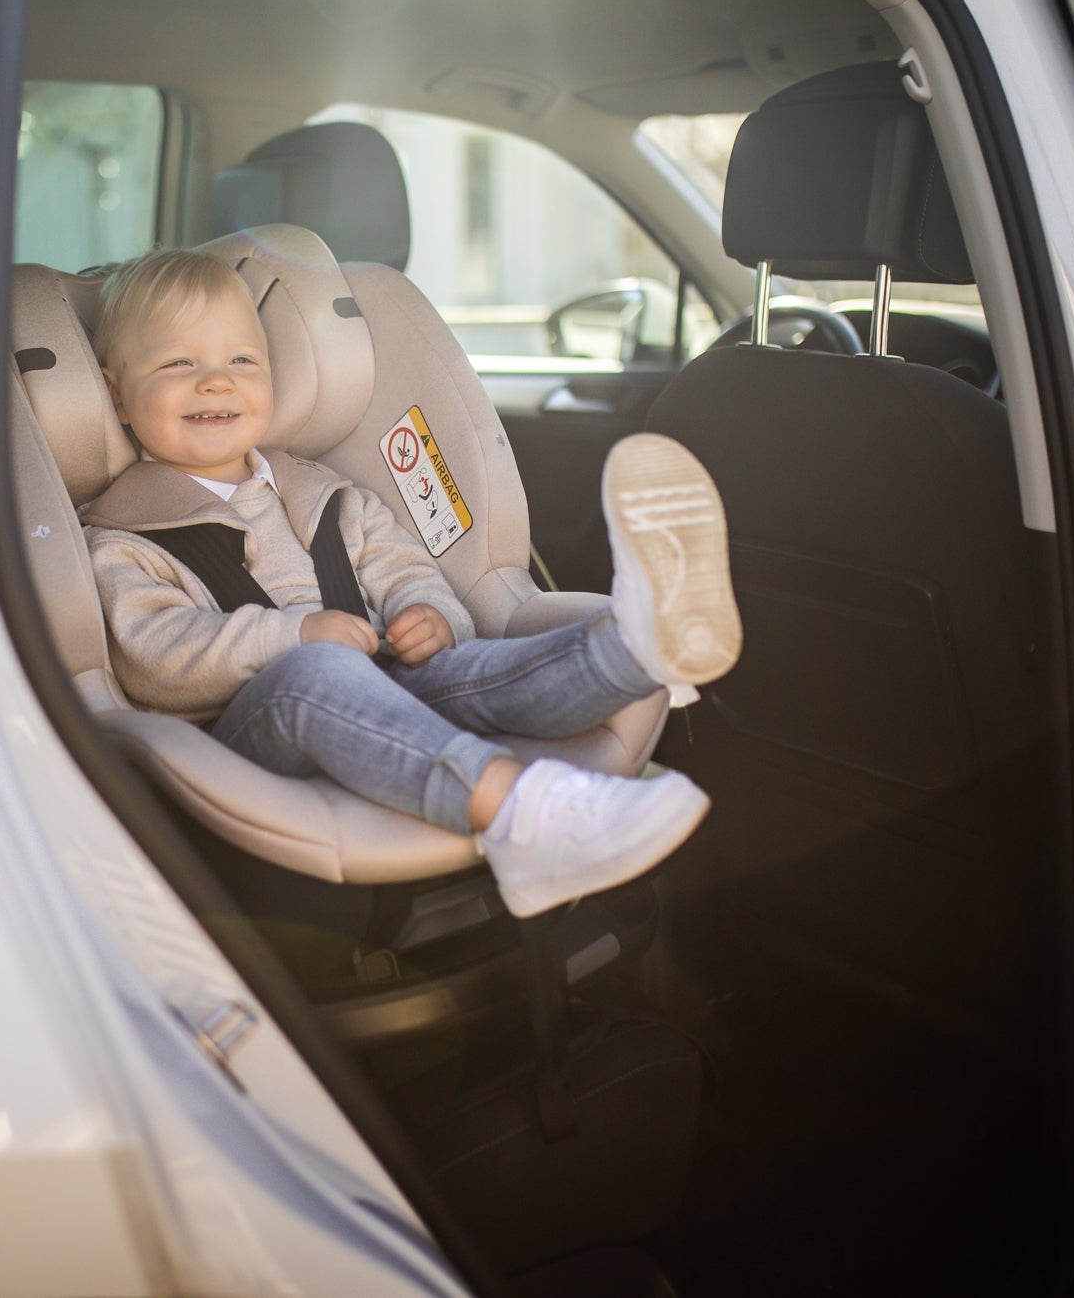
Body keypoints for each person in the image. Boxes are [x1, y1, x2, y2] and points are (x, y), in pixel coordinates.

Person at [80, 248, 740, 917]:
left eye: (242, 361)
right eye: (178, 364)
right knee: (313, 673)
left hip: (388, 690)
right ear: (115, 395)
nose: (217, 382)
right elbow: (154, 656)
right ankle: (521, 814)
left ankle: (638, 647)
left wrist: (430, 613)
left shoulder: (330, 494)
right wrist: (294, 635)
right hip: (250, 738)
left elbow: (405, 570)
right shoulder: (123, 535)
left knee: (477, 669)